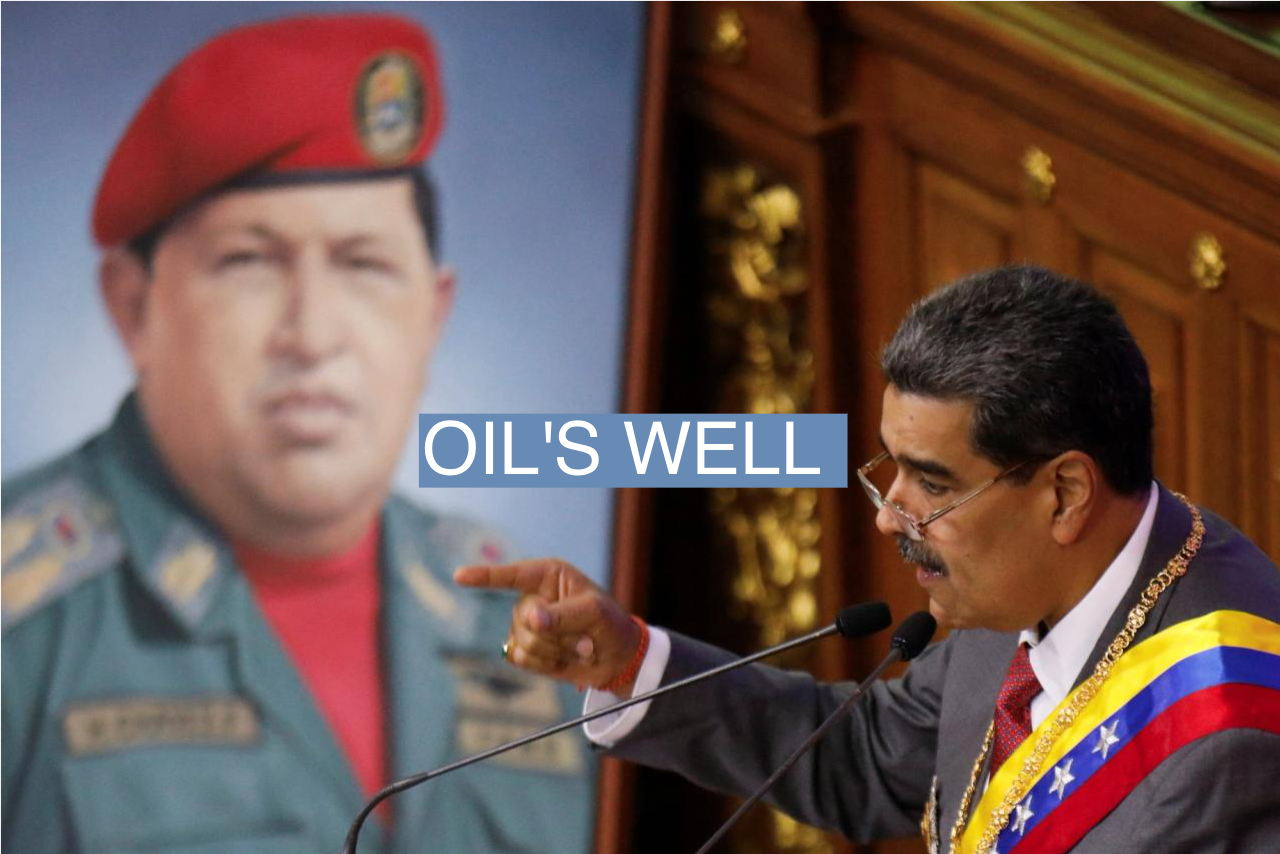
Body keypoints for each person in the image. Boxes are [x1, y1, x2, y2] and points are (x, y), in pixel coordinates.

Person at [0, 14, 593, 854]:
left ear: (432, 316)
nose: (314, 334)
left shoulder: (538, 626)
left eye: (363, 265)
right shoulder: (22, 629)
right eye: (250, 261)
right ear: (134, 309)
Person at [459, 265, 1280, 852]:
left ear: (1064, 494)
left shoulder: (1223, 733)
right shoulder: (1023, 586)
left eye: (931, 483)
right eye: (890, 469)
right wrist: (631, 662)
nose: (891, 517)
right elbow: (864, 757)